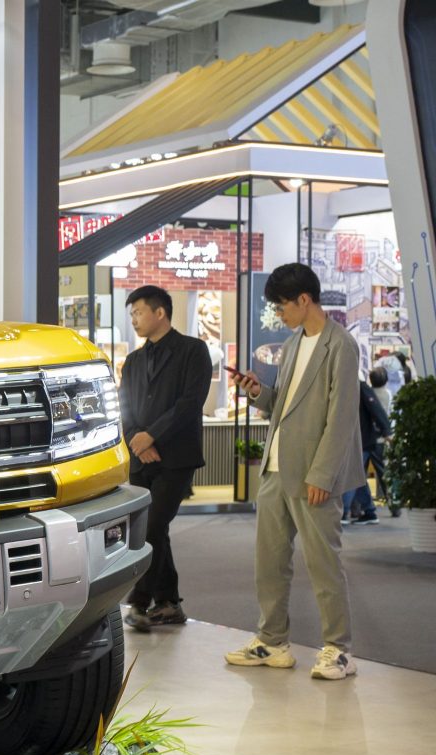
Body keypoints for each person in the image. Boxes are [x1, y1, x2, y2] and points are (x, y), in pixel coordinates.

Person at [227, 262, 364, 680]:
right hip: (275, 468)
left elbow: (341, 417)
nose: (279, 313)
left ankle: (339, 649)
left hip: (312, 475)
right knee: (269, 563)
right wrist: (258, 392)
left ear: (304, 300)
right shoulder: (290, 345)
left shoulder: (341, 346)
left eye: (282, 305)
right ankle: (272, 641)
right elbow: (282, 406)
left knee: (324, 565)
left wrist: (323, 474)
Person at [118, 284, 211, 633]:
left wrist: (152, 435)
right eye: (132, 314)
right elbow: (125, 406)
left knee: (153, 525)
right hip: (141, 457)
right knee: (153, 527)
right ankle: (169, 602)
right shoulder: (133, 361)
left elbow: (191, 402)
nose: (134, 319)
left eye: (139, 312)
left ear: (160, 313)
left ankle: (140, 602)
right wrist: (136, 440)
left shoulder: (193, 350)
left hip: (176, 456)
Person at [340, 372, 392, 525]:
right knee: (357, 476)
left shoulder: (359, 387)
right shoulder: (350, 387)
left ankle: (343, 512)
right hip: (358, 439)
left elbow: (376, 409)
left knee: (351, 474)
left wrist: (386, 431)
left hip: (362, 440)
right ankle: (369, 512)